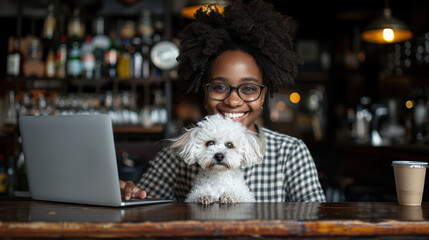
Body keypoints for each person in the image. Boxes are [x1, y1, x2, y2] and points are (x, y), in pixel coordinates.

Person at [120, 0, 326, 202]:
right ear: (204, 93)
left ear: (263, 95)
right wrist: (128, 194)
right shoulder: (175, 156)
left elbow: (319, 223)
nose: (233, 101)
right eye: (219, 87)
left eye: (248, 89)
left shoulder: (290, 152)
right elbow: (142, 207)